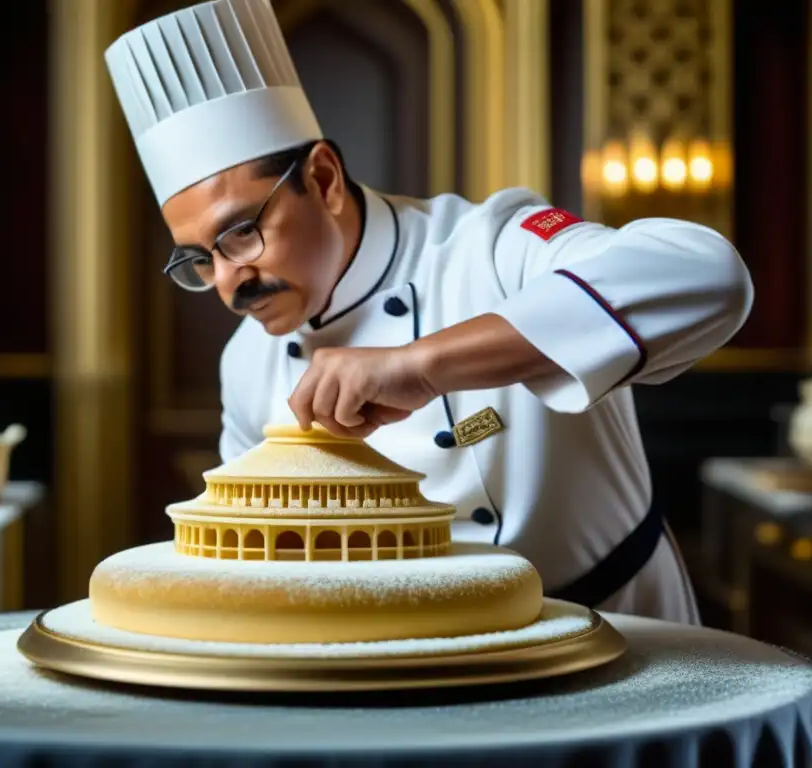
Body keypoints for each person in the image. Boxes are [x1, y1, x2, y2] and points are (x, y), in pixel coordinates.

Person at [104, 0, 753, 624]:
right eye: (199, 259)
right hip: (412, 665)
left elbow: (706, 273)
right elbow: (256, 553)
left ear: (324, 179)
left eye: (241, 233)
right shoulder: (248, 362)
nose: (227, 283)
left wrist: (422, 365)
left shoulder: (491, 246)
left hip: (617, 632)